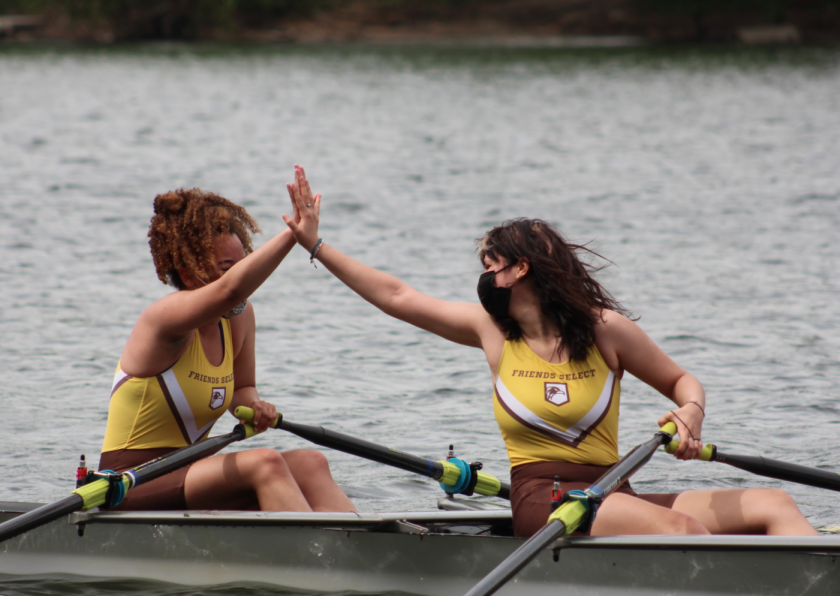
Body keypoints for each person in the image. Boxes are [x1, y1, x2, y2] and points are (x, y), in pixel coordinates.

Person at [282, 165, 816, 537]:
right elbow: (397, 296)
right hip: (544, 500)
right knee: (682, 530)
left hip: (613, 491)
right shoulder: (491, 330)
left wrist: (690, 414)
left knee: (775, 503)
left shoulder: (605, 330)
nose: (484, 275)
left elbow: (684, 382)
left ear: (522, 269)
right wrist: (316, 245)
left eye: (492, 264)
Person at [99, 186, 355, 513]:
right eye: (226, 267)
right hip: (128, 481)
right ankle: (313, 559)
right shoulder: (164, 320)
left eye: (243, 264)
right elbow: (230, 291)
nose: (244, 278)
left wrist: (254, 404)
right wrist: (295, 235)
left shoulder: (238, 319)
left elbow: (242, 389)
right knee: (265, 462)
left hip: (190, 470)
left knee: (311, 462)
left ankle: (361, 552)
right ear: (189, 275)